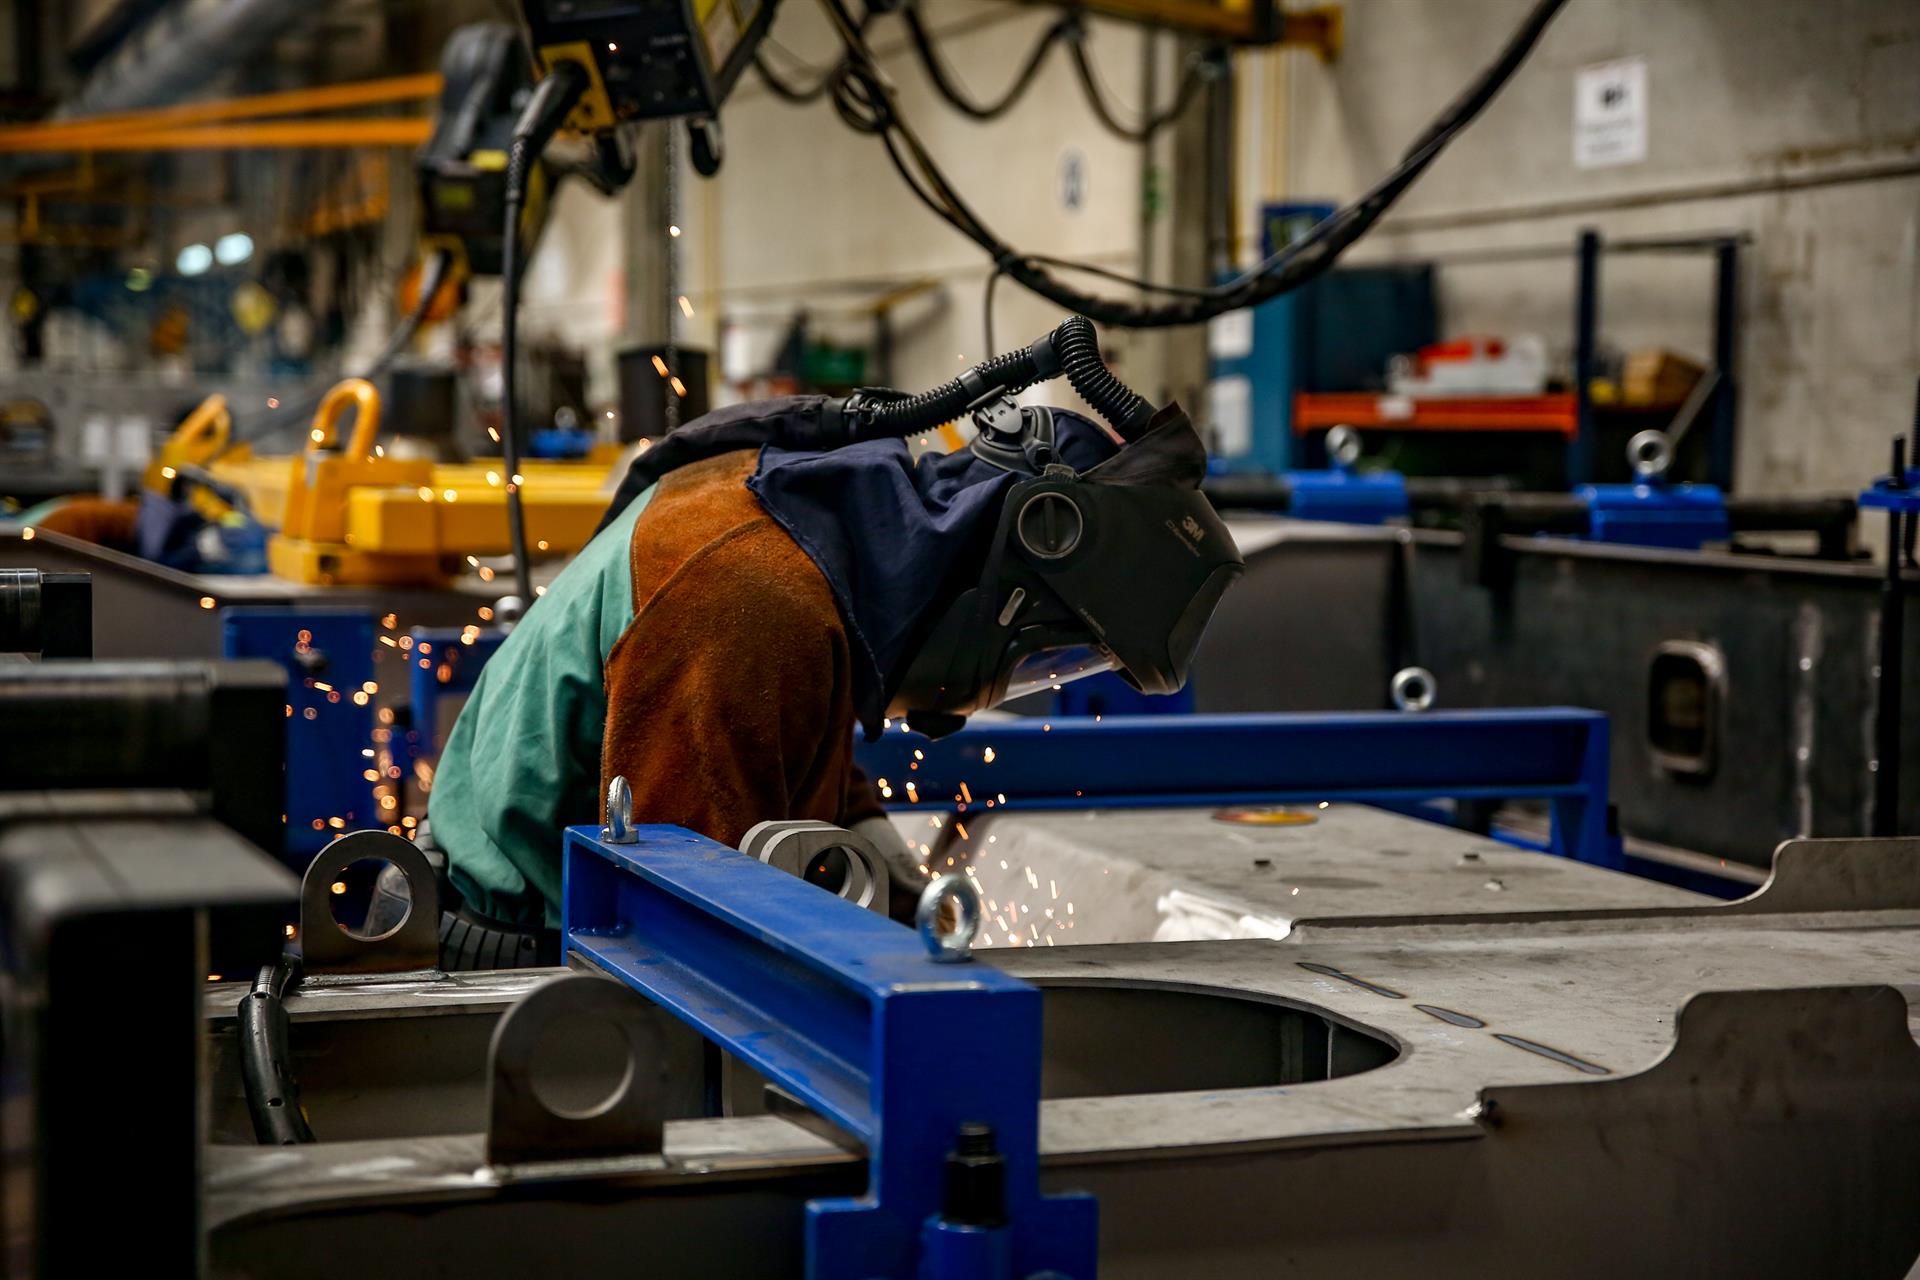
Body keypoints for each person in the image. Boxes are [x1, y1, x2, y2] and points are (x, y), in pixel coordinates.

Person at [420, 317, 1242, 967]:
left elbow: (790, 731)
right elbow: (681, 937)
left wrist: (877, 848)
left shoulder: (815, 541)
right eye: (1050, 656)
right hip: (519, 961)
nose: (1022, 678)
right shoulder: (746, 595)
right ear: (1030, 549)